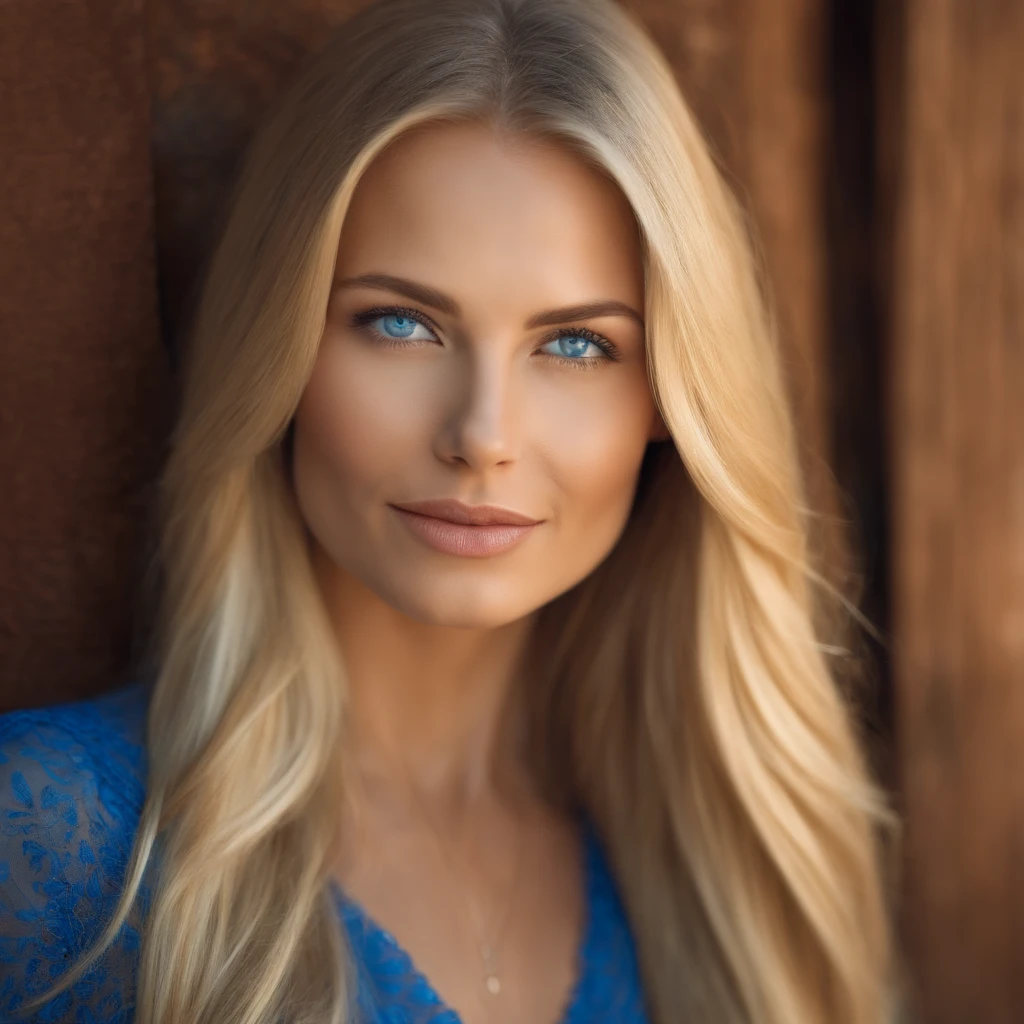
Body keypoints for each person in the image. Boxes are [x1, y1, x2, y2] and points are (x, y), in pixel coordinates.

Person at [0, 0, 903, 1021]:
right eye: (400, 322)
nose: (482, 433)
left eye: (574, 344)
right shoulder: (63, 845)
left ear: (667, 398)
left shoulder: (723, 882)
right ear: (281, 348)